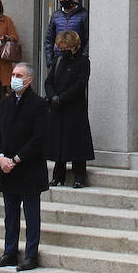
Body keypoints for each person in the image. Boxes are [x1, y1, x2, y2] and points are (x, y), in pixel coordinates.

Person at [0, 62, 49, 272]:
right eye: (13, 74)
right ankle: (9, 252)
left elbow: (38, 137)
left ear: (29, 80)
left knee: (31, 215)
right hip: (7, 168)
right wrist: (0, 158)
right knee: (10, 214)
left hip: (28, 168)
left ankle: (31, 254)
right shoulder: (5, 103)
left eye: (19, 75)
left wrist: (16, 159)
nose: (14, 77)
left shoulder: (38, 104)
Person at [45, 30, 94, 188]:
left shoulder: (83, 62)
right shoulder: (58, 61)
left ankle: (79, 176)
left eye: (65, 47)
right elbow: (49, 81)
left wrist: (63, 97)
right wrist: (53, 96)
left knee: (76, 143)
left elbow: (80, 85)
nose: (62, 50)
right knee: (59, 143)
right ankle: (58, 176)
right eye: (60, 47)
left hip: (75, 108)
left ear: (74, 47)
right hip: (57, 107)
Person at [43, 0, 89, 72]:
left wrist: (83, 56)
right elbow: (49, 39)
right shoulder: (56, 15)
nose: (64, 0)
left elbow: (88, 38)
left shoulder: (83, 15)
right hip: (59, 57)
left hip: (77, 57)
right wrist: (50, 61)